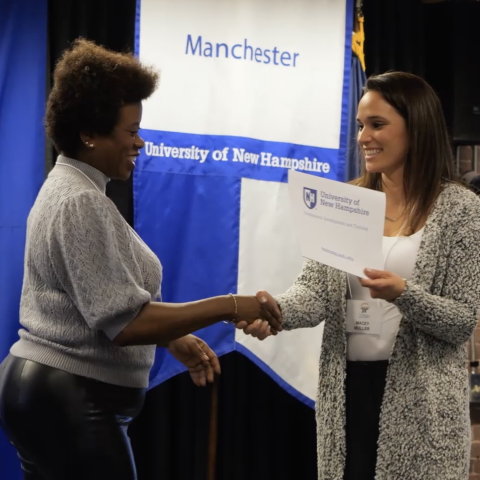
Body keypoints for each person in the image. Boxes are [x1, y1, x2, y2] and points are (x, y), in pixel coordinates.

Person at [0, 39, 281, 480]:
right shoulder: (79, 200)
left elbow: (100, 303)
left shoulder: (75, 190)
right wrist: (231, 305)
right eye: (131, 131)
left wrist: (172, 337)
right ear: (89, 133)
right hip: (72, 400)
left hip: (56, 395)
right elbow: (125, 323)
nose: (140, 142)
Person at [238, 71, 480, 480]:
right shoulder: (346, 202)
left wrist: (404, 293)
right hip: (347, 396)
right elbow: (314, 291)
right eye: (361, 126)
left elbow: (461, 321)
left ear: (416, 127)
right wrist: (277, 313)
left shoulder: (460, 210)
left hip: (423, 407)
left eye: (378, 125)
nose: (364, 137)